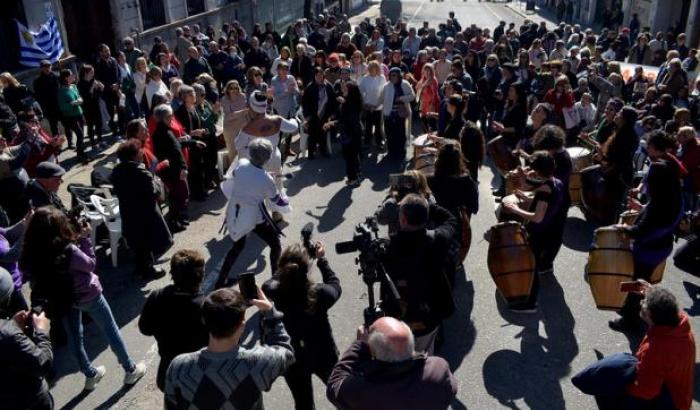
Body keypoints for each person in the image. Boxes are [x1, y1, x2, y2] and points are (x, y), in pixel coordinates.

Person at [20, 206, 147, 391]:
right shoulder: (68, 250)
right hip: (89, 295)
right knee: (110, 330)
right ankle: (130, 369)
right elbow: (90, 265)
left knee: (75, 339)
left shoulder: (32, 252)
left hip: (63, 299)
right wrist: (86, 239)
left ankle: (90, 374)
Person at [164, 287, 295, 409]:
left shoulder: (179, 367)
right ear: (242, 325)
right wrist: (270, 313)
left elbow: (171, 405)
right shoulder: (259, 363)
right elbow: (286, 352)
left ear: (204, 320)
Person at [610, 131, 685, 331]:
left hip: (651, 247)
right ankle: (630, 309)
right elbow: (656, 211)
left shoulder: (659, 206)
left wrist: (625, 229)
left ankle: (631, 319)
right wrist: (641, 208)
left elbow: (642, 229)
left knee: (638, 281)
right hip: (661, 244)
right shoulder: (670, 194)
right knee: (640, 279)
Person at [578, 285, 695, 410]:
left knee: (605, 385)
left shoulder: (657, 349)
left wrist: (622, 386)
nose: (641, 304)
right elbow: (661, 298)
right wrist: (645, 290)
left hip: (669, 402)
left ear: (655, 319)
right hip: (680, 394)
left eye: (644, 311)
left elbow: (646, 391)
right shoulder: (679, 324)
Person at [262, 243, 341, 410]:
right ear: (306, 269)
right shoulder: (320, 293)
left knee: (303, 403)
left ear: (281, 267)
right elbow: (334, 284)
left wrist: (284, 267)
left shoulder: (272, 290)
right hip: (324, 354)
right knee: (341, 395)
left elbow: (273, 280)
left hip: (293, 358)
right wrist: (322, 260)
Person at [326, 316, 457, 410]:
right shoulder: (438, 368)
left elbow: (334, 386)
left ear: (373, 352)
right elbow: (452, 389)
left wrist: (360, 345)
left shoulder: (360, 389)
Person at [382, 194, 457, 353]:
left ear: (402, 219)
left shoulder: (387, 247)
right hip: (431, 309)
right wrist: (428, 205)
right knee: (426, 350)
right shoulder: (438, 239)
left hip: (398, 311)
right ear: (426, 217)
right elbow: (450, 219)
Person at [216, 138, 290, 288]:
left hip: (235, 212)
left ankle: (220, 281)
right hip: (254, 217)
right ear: (268, 157)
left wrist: (262, 174)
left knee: (236, 248)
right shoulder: (266, 180)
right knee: (275, 245)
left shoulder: (241, 165)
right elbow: (278, 201)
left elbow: (241, 175)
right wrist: (286, 200)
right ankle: (275, 281)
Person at [502, 151, 566, 312]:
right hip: (550, 230)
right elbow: (544, 203)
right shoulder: (557, 182)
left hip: (539, 233)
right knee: (533, 265)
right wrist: (526, 197)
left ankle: (530, 304)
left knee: (532, 266)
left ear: (537, 171)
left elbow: (537, 217)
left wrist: (515, 209)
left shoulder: (544, 188)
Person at [138, 249, 208, 391]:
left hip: (168, 373)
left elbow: (145, 329)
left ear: (173, 274)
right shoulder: (205, 307)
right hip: (198, 376)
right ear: (200, 276)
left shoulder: (157, 296)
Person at [111, 140, 172, 278]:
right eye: (140, 151)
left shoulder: (117, 171)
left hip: (128, 212)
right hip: (145, 213)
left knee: (137, 243)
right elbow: (154, 192)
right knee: (146, 243)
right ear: (134, 155)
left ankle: (140, 268)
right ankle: (147, 270)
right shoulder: (141, 172)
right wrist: (154, 181)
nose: (142, 152)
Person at [0, 266, 54, 410]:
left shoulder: (7, 331)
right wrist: (42, 331)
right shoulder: (8, 335)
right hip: (30, 400)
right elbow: (44, 363)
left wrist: (11, 324)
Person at [151, 104, 190, 232]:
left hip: (170, 169)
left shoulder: (163, 131)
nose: (172, 118)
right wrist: (183, 167)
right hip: (172, 170)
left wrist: (192, 142)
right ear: (163, 118)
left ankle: (178, 219)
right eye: (169, 116)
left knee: (177, 195)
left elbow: (176, 145)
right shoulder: (164, 132)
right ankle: (174, 222)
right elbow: (175, 151)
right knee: (180, 194)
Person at [323, 81, 363, 185]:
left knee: (350, 157)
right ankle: (357, 175)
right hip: (352, 132)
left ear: (351, 91)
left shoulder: (351, 103)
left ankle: (353, 179)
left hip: (351, 133)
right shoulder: (349, 102)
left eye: (345, 89)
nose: (343, 90)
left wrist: (332, 123)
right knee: (353, 156)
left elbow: (345, 121)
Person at [0, 209, 31, 315]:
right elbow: (12, 255)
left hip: (15, 283)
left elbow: (7, 233)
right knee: (23, 322)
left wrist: (24, 222)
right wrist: (26, 230)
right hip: (8, 291)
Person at [302, 68, 336, 158]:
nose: (319, 77)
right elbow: (305, 103)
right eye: (317, 75)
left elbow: (333, 100)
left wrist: (332, 113)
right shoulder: (310, 87)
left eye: (321, 75)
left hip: (325, 114)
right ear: (314, 76)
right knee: (312, 135)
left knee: (323, 134)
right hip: (313, 115)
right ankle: (311, 152)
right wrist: (307, 115)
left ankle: (323, 151)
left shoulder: (328, 86)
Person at [382, 67, 415, 158]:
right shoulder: (387, 85)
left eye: (394, 75)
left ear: (399, 75)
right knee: (390, 133)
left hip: (401, 113)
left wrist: (401, 98)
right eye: (391, 75)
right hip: (389, 113)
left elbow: (412, 96)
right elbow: (382, 99)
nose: (392, 77)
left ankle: (401, 152)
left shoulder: (405, 84)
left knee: (400, 133)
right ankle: (391, 152)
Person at [57, 69, 88, 163]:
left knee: (82, 134)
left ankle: (82, 152)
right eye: (71, 75)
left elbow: (78, 96)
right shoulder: (61, 91)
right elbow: (62, 106)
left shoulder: (74, 86)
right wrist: (73, 104)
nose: (74, 76)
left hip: (79, 113)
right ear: (66, 77)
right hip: (70, 116)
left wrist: (80, 100)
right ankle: (79, 155)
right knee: (80, 134)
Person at [32, 60, 61, 136]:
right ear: (41, 68)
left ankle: (70, 140)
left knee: (66, 123)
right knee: (54, 126)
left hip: (59, 103)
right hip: (49, 107)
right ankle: (57, 142)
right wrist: (43, 107)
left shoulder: (56, 76)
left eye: (49, 66)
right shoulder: (37, 80)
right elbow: (38, 96)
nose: (48, 68)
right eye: (45, 67)